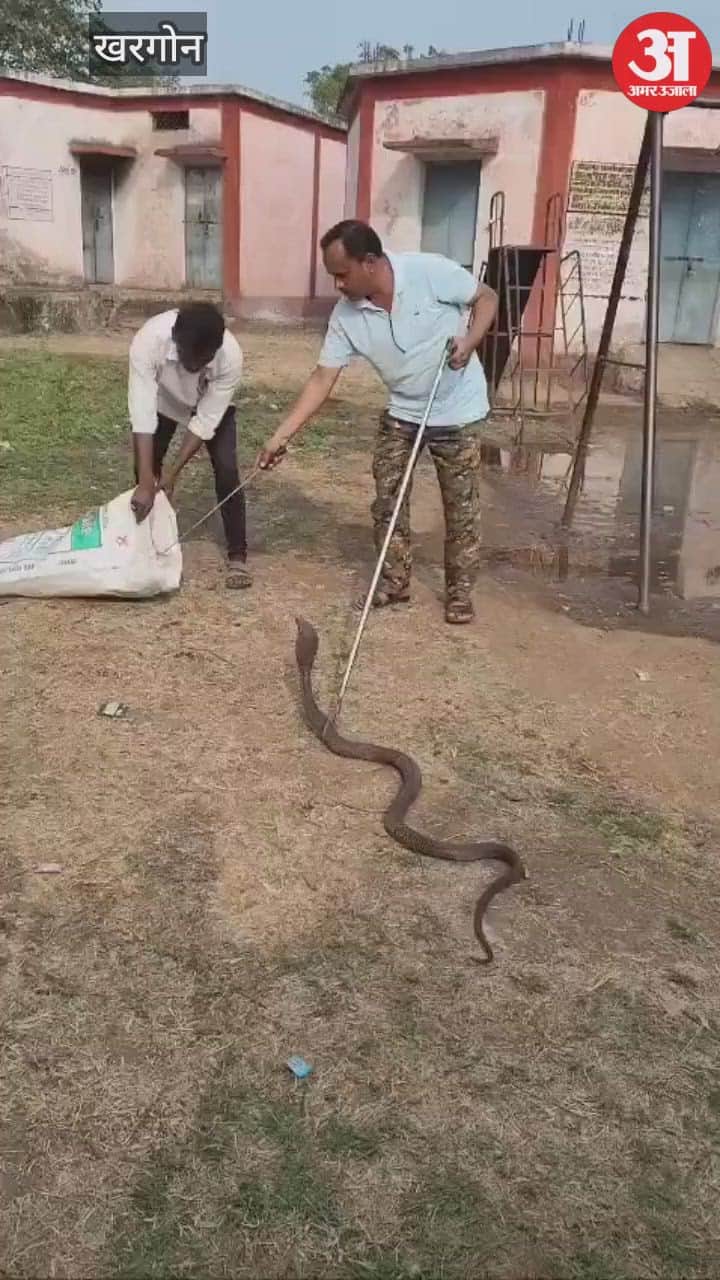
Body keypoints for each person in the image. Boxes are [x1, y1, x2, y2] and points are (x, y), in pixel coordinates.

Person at [257, 220, 497, 623]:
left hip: (458, 409)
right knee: (388, 500)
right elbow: (322, 378)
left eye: (341, 274)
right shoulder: (345, 316)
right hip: (403, 410)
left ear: (369, 262)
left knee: (461, 508)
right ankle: (394, 581)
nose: (337, 285)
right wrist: (280, 436)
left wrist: (470, 341)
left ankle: (459, 593)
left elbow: (486, 297)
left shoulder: (427, 272)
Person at [128, 301, 251, 588]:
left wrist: (173, 473)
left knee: (227, 469)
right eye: (188, 357)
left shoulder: (229, 356)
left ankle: (238, 555)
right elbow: (142, 411)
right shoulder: (149, 340)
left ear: (216, 349)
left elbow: (206, 421)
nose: (195, 365)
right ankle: (150, 545)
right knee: (144, 467)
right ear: (176, 339)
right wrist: (148, 480)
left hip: (210, 403)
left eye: (203, 359)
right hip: (164, 399)